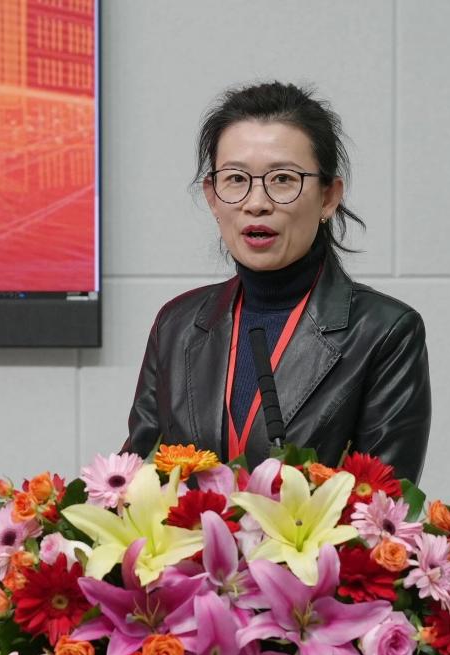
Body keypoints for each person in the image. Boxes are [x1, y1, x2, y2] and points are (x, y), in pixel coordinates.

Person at [122, 81, 431, 484]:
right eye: (236, 179)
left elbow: (383, 502)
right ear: (212, 196)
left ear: (328, 197)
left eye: (283, 178)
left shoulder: (384, 332)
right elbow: (134, 481)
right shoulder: (176, 325)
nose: (257, 203)